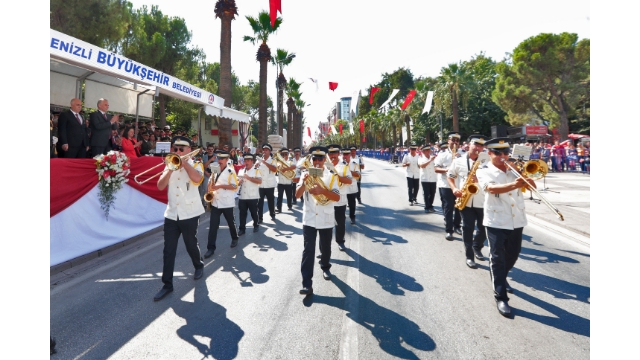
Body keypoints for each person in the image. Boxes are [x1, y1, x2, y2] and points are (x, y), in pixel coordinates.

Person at [476, 137, 535, 317]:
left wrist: (528, 179)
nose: (504, 156)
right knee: (497, 257)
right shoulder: (483, 170)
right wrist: (513, 184)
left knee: (513, 254)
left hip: (516, 218)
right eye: (499, 153)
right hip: (496, 220)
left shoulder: (514, 169)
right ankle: (500, 297)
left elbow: (532, 187)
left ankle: (500, 276)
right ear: (490, 153)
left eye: (506, 152)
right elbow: (491, 189)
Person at [153, 136, 206, 301]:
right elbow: (160, 186)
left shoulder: (196, 164)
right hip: (172, 213)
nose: (177, 152)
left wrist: (184, 163)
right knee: (168, 250)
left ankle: (198, 265)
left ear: (189, 150)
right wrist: (170, 168)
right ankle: (167, 284)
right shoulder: (170, 165)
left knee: (191, 244)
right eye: (175, 149)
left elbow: (198, 179)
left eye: (181, 149)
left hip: (189, 213)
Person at [295, 146, 341, 295]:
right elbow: (297, 195)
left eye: (320, 159)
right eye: (314, 158)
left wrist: (322, 191)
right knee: (308, 250)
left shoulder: (331, 175)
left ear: (324, 160)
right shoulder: (305, 174)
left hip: (325, 217)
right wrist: (303, 183)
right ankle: (307, 284)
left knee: (325, 247)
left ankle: (325, 266)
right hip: (309, 218)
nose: (317, 161)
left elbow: (337, 197)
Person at [447, 134, 489, 268]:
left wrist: (481, 180)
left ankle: (477, 246)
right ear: (469, 145)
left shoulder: (488, 161)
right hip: (466, 200)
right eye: (475, 144)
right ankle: (469, 256)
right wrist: (454, 189)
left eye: (481, 145)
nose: (478, 147)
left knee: (484, 229)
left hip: (483, 200)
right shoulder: (458, 161)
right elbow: (450, 176)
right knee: (467, 228)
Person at [204, 150, 240, 258]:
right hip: (216, 201)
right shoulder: (215, 168)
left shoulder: (230, 171)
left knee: (230, 223)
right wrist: (209, 188)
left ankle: (234, 238)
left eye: (222, 159)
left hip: (227, 202)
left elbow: (234, 187)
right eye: (218, 158)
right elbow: (210, 180)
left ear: (227, 160)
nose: (219, 161)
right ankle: (210, 248)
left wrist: (219, 186)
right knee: (213, 226)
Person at [434, 132, 463, 240]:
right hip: (445, 184)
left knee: (459, 206)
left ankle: (457, 226)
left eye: (457, 140)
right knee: (448, 207)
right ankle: (449, 230)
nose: (455, 142)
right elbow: (436, 168)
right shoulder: (442, 154)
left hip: (459, 184)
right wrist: (448, 169)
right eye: (453, 140)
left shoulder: (463, 154)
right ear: (448, 141)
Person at [330, 146, 352, 251]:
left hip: (340, 199)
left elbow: (349, 181)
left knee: (340, 222)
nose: (332, 155)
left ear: (339, 154)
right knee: (325, 224)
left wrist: (337, 176)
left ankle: (340, 241)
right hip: (327, 199)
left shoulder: (344, 166)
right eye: (330, 153)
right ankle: (325, 248)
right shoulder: (324, 165)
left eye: (334, 153)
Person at [237, 153, 262, 235]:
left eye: (248, 160)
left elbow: (259, 181)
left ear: (252, 161)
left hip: (252, 196)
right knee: (242, 214)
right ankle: (242, 229)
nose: (246, 162)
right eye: (245, 160)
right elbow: (237, 183)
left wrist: (249, 178)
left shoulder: (256, 170)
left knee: (254, 212)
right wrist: (239, 182)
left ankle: (256, 225)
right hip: (242, 196)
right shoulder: (241, 171)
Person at [256, 144, 278, 223]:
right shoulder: (259, 160)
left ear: (269, 151)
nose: (264, 151)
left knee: (270, 201)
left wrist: (265, 163)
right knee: (260, 202)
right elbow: (255, 171)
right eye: (264, 150)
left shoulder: (273, 160)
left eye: (266, 150)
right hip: (261, 184)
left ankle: (272, 214)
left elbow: (275, 169)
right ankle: (260, 217)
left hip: (269, 185)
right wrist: (255, 166)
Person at [342, 149, 361, 225]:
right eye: (344, 155)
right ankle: (342, 217)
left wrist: (348, 170)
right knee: (342, 204)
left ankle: (352, 217)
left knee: (352, 204)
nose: (345, 156)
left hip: (351, 187)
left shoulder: (354, 163)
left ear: (350, 155)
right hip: (342, 187)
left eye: (347, 154)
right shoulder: (340, 163)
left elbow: (358, 175)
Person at [276, 148, 296, 213]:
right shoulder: (279, 162)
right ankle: (279, 208)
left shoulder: (290, 161)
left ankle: (289, 205)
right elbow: (276, 168)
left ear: (288, 154)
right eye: (283, 154)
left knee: (289, 196)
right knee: (280, 196)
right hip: (281, 182)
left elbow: (294, 167)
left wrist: (286, 169)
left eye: (286, 154)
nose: (285, 155)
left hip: (288, 182)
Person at [418, 146, 437, 213]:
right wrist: (430, 160)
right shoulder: (421, 158)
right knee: (426, 193)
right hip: (425, 178)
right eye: (427, 150)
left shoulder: (433, 158)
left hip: (433, 178)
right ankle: (427, 206)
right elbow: (422, 166)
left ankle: (430, 205)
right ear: (423, 152)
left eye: (429, 150)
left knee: (432, 193)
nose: (429, 151)